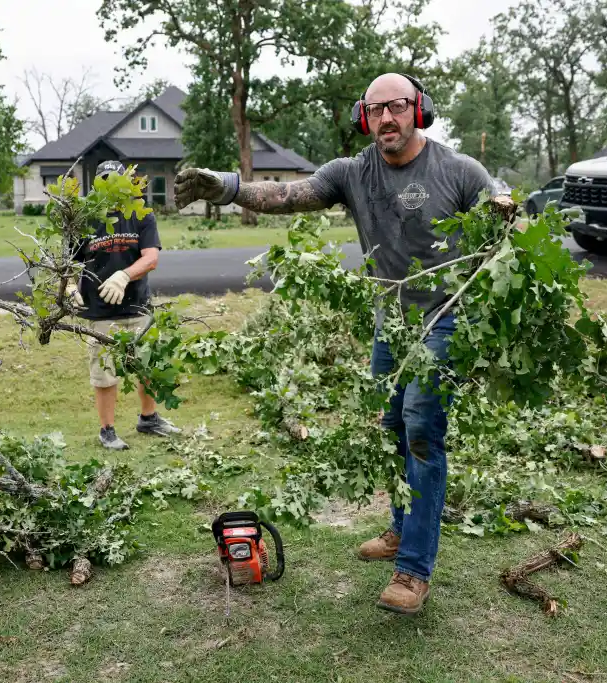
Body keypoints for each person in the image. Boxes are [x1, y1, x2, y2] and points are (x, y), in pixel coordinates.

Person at [173, 73, 495, 615]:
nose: (385, 119)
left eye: (396, 107)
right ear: (362, 119)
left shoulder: (460, 171)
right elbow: (284, 194)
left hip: (445, 320)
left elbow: (503, 229)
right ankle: (400, 527)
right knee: (391, 428)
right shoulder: (351, 173)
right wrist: (226, 187)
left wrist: (506, 215)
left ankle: (413, 570)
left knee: (420, 429)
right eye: (374, 111)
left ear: (420, 109)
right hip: (389, 324)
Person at [69, 159, 180, 450]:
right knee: (105, 373)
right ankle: (107, 430)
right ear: (97, 185)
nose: (110, 187)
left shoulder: (141, 214)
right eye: (103, 181)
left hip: (138, 305)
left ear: (125, 183)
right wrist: (68, 285)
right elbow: (70, 261)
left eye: (114, 181)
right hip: (100, 309)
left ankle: (149, 419)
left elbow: (151, 257)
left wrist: (124, 275)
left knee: (148, 366)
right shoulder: (85, 218)